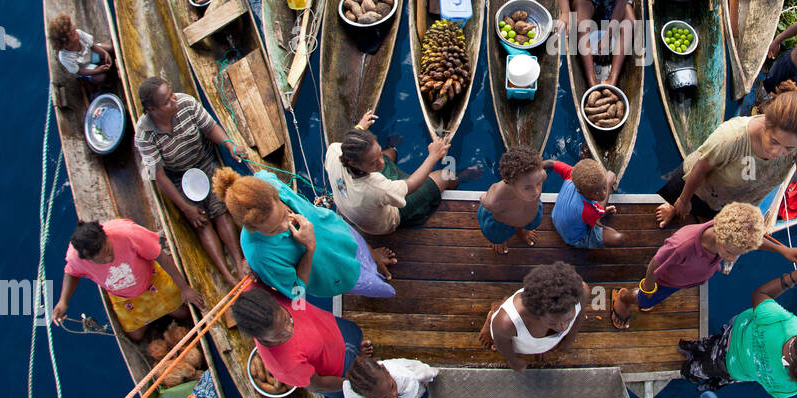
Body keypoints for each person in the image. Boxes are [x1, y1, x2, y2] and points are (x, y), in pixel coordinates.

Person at [658, 81, 797, 273]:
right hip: (697, 190)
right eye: (774, 141)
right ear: (766, 122)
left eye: (788, 148)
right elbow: (700, 168)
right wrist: (683, 201)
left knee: (704, 244)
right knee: (673, 222)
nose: (778, 152)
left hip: (731, 205)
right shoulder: (732, 137)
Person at [678, 256, 797, 398]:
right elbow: (779, 389)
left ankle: (688, 356)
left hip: (731, 338)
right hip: (735, 369)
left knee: (708, 348)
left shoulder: (787, 324)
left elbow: (760, 295)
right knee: (713, 372)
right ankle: (699, 379)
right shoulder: (793, 385)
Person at [213, 167, 396, 301]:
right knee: (375, 285)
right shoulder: (260, 255)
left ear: (274, 195)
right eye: (274, 229)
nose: (286, 226)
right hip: (336, 273)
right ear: (253, 228)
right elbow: (297, 294)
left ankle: (372, 255)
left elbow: (264, 175)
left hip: (338, 232)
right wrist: (309, 248)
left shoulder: (266, 182)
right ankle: (378, 279)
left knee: (361, 247)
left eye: (285, 214)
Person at [133, 77, 247, 287]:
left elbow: (210, 127)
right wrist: (186, 209)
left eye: (172, 95)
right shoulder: (144, 135)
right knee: (201, 222)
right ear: (151, 109)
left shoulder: (186, 103)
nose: (174, 100)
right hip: (178, 177)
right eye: (167, 101)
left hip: (203, 161)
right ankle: (228, 275)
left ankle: (240, 263)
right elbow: (159, 176)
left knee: (219, 210)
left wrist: (229, 145)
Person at [611, 201, 775, 330]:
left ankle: (646, 299)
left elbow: (752, 239)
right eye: (731, 253)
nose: (733, 259)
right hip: (666, 280)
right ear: (721, 238)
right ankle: (625, 298)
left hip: (685, 279)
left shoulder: (726, 233)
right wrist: (648, 288)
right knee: (645, 300)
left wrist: (782, 250)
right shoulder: (682, 246)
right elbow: (655, 263)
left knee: (660, 296)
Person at [53, 218, 204, 342]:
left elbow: (161, 256)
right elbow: (71, 273)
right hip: (122, 296)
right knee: (136, 336)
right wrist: (63, 301)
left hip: (151, 280)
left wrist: (184, 288)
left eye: (108, 251)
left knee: (183, 313)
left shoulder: (128, 234)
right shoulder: (76, 258)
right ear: (88, 258)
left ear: (105, 235)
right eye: (101, 259)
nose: (109, 258)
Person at [326, 113, 471, 237]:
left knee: (389, 154)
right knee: (443, 175)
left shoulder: (334, 151)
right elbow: (411, 186)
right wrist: (433, 156)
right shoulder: (375, 188)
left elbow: (349, 146)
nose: (380, 163)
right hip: (389, 218)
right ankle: (459, 178)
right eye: (374, 163)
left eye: (378, 154)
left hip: (354, 200)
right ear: (354, 164)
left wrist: (360, 127)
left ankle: (392, 148)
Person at [231, 285, 361, 397]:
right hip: (341, 369)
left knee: (356, 333)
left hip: (333, 325)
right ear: (260, 337)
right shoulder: (286, 366)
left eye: (286, 319)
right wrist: (352, 384)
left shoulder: (257, 296)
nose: (289, 331)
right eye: (278, 335)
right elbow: (319, 385)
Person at [478, 262, 586, 371]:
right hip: (509, 331)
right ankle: (491, 316)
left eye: (569, 319)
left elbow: (580, 315)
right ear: (536, 313)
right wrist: (512, 360)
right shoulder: (507, 322)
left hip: (532, 342)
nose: (564, 327)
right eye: (552, 323)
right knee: (499, 328)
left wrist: (569, 339)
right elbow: (501, 342)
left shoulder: (582, 292)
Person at [479, 146, 553, 253]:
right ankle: (500, 240)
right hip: (503, 223)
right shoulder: (496, 200)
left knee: (534, 221)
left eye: (538, 183)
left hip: (531, 214)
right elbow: (484, 201)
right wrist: (483, 199)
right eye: (527, 187)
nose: (536, 192)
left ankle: (522, 229)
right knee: (497, 235)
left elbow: (548, 165)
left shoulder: (540, 175)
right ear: (510, 184)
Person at [343, 340, 438, 398]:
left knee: (428, 374)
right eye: (384, 396)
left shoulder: (406, 378)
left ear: (386, 370)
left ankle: (427, 379)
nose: (394, 393)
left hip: (412, 373)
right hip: (394, 384)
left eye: (392, 387)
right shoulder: (351, 388)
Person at [551, 158, 621, 249]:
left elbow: (552, 163)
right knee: (616, 237)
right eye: (596, 193)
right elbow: (599, 213)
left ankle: (595, 210)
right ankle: (595, 216)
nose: (603, 194)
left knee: (594, 195)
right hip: (573, 239)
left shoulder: (572, 174)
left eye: (604, 188)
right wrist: (608, 183)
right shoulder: (586, 210)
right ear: (580, 192)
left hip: (555, 218)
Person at [47, 14, 115, 86]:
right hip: (84, 67)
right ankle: (98, 85)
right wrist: (97, 71)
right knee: (101, 77)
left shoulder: (79, 33)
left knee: (110, 48)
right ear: (65, 44)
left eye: (72, 28)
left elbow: (92, 46)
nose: (75, 31)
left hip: (90, 53)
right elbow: (79, 71)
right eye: (72, 34)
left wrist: (105, 54)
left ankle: (103, 61)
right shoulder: (65, 57)